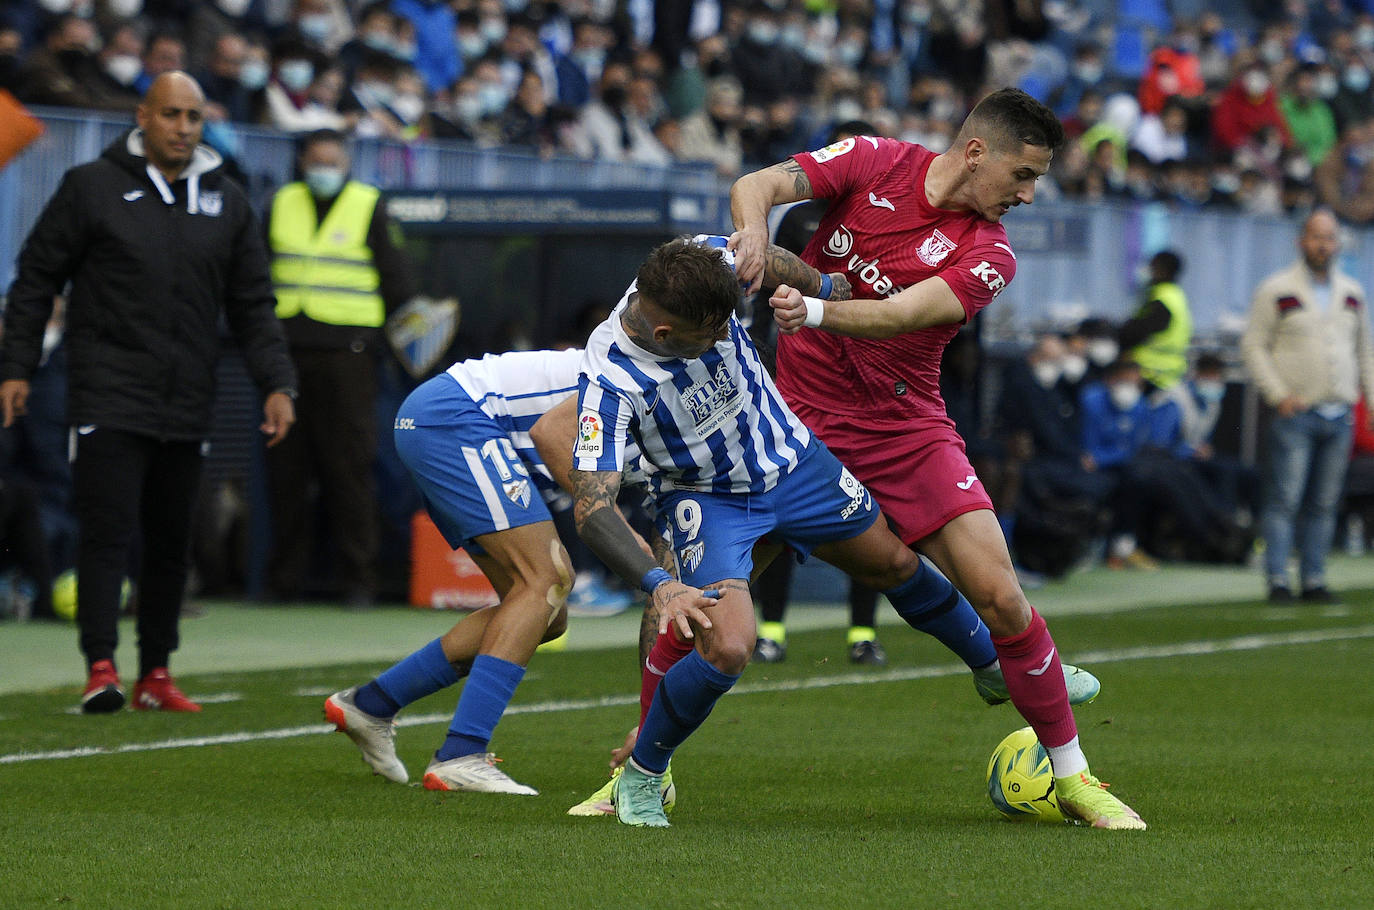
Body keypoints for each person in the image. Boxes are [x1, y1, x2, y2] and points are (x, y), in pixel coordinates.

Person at [562, 235, 1121, 829]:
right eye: (713, 333)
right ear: (667, 335)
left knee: (897, 565)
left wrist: (825, 286)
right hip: (710, 500)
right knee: (726, 644)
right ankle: (645, 777)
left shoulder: (702, 258)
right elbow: (592, 507)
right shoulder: (607, 381)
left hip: (797, 461)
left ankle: (990, 666)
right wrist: (657, 582)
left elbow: (767, 258)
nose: (729, 336)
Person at [734, 87, 1145, 829]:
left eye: (1038, 181)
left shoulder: (991, 254)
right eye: (1023, 176)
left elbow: (899, 314)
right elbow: (755, 186)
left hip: (903, 425)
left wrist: (816, 309)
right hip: (796, 415)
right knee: (707, 596)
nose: (1027, 194)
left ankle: (1075, 777)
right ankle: (640, 765)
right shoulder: (872, 161)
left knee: (1002, 595)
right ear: (977, 152)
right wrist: (752, 236)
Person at [0, 72, 297, 713]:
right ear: (143, 117)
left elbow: (253, 304)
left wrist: (277, 382)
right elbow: (35, 280)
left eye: (193, 116)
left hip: (189, 400)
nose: (183, 128)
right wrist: (15, 367)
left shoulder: (229, 199)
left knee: (171, 541)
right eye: (170, 115)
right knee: (106, 534)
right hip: (107, 392)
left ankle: (156, 674)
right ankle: (100, 665)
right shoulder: (91, 188)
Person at [323, 349, 586, 794]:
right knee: (546, 580)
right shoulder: (657, 374)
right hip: (457, 415)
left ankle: (371, 704)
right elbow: (550, 431)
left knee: (546, 614)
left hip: (449, 415)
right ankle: (460, 753)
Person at [751, 118, 889, 666]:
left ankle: (862, 633)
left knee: (871, 509)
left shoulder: (889, 218)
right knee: (783, 504)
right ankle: (771, 630)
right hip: (798, 379)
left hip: (865, 382)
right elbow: (765, 284)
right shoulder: (799, 214)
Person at [264, 128, 416, 608]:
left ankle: (359, 581)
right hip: (286, 354)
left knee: (348, 469)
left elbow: (397, 281)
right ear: (303, 161)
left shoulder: (369, 204)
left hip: (349, 356)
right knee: (286, 471)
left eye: (333, 161)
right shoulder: (279, 202)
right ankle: (283, 581)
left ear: (346, 163)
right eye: (317, 160)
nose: (324, 169)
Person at [1240, 208, 1374, 603]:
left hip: (1340, 411)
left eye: (1330, 237)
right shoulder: (1277, 288)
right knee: (1285, 498)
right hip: (1296, 412)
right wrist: (1278, 394)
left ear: (1338, 243)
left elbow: (1364, 350)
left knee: (1325, 501)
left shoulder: (1351, 291)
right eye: (1317, 236)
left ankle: (1314, 577)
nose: (1323, 244)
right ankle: (1278, 577)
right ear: (1302, 240)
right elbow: (1253, 345)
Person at [1120, 249, 1192, 393]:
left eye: (1151, 266)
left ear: (1160, 269)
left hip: (1150, 376)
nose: (1147, 271)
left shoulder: (1162, 298)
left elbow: (1136, 332)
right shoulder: (1176, 296)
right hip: (1168, 375)